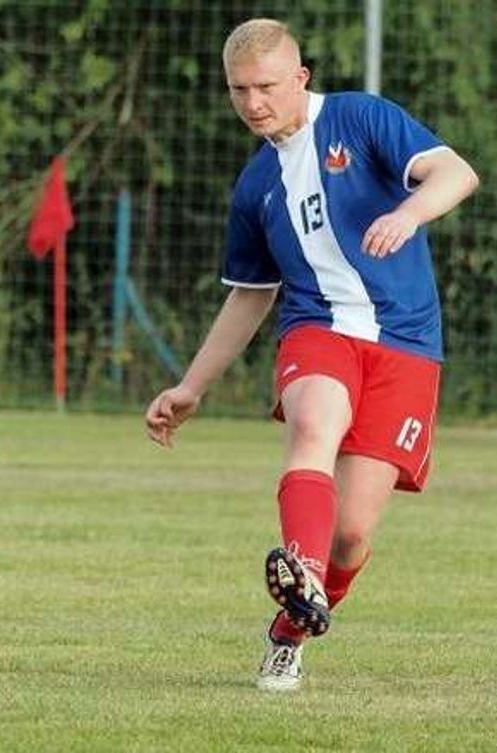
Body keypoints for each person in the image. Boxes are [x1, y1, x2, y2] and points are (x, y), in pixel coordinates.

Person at [144, 18, 478, 692]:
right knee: (313, 427)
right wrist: (191, 385)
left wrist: (409, 214)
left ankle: (290, 628)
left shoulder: (359, 119)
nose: (253, 102)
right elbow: (249, 297)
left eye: (266, 86)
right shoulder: (255, 186)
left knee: (352, 534)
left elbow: (456, 172)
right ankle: (303, 569)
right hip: (317, 329)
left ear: (301, 77)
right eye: (239, 90)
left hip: (405, 344)